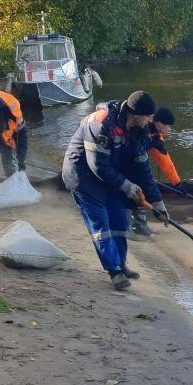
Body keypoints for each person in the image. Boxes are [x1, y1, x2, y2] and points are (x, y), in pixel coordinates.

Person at [61, 90, 167, 290]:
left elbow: (143, 168)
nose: (151, 120)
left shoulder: (140, 129)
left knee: (119, 219)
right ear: (136, 114)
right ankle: (114, 272)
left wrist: (158, 202)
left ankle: (121, 264)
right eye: (149, 116)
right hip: (84, 177)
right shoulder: (100, 124)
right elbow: (98, 166)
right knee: (101, 224)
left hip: (112, 177)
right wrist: (127, 186)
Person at [130, 105, 182, 236]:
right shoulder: (142, 129)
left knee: (142, 188)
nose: (170, 130)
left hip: (136, 162)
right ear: (159, 124)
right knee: (137, 189)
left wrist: (177, 183)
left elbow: (164, 161)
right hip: (126, 161)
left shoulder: (156, 137)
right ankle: (134, 225)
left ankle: (139, 224)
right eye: (168, 126)